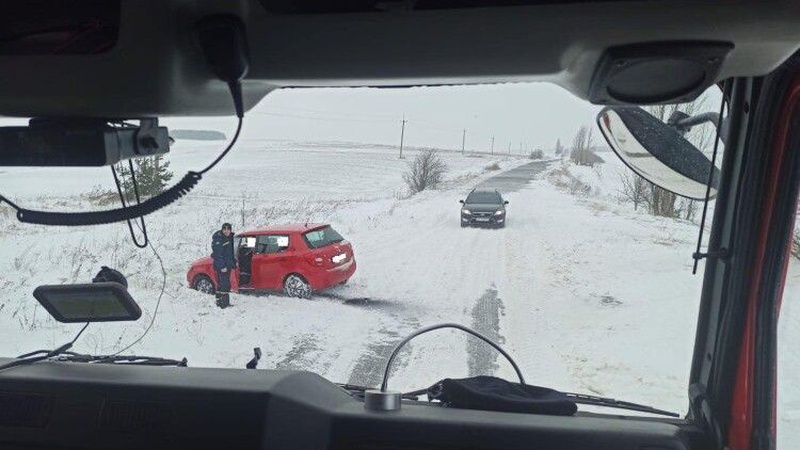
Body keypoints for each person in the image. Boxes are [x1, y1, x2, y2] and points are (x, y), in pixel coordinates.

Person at [211, 223, 236, 308]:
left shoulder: (230, 237)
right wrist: (222, 267)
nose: (226, 231)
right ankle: (224, 304)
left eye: (228, 229)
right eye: (224, 229)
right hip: (222, 266)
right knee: (225, 285)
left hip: (227, 265)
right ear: (222, 230)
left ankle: (219, 303)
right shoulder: (219, 239)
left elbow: (231, 251)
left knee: (222, 284)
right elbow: (217, 255)